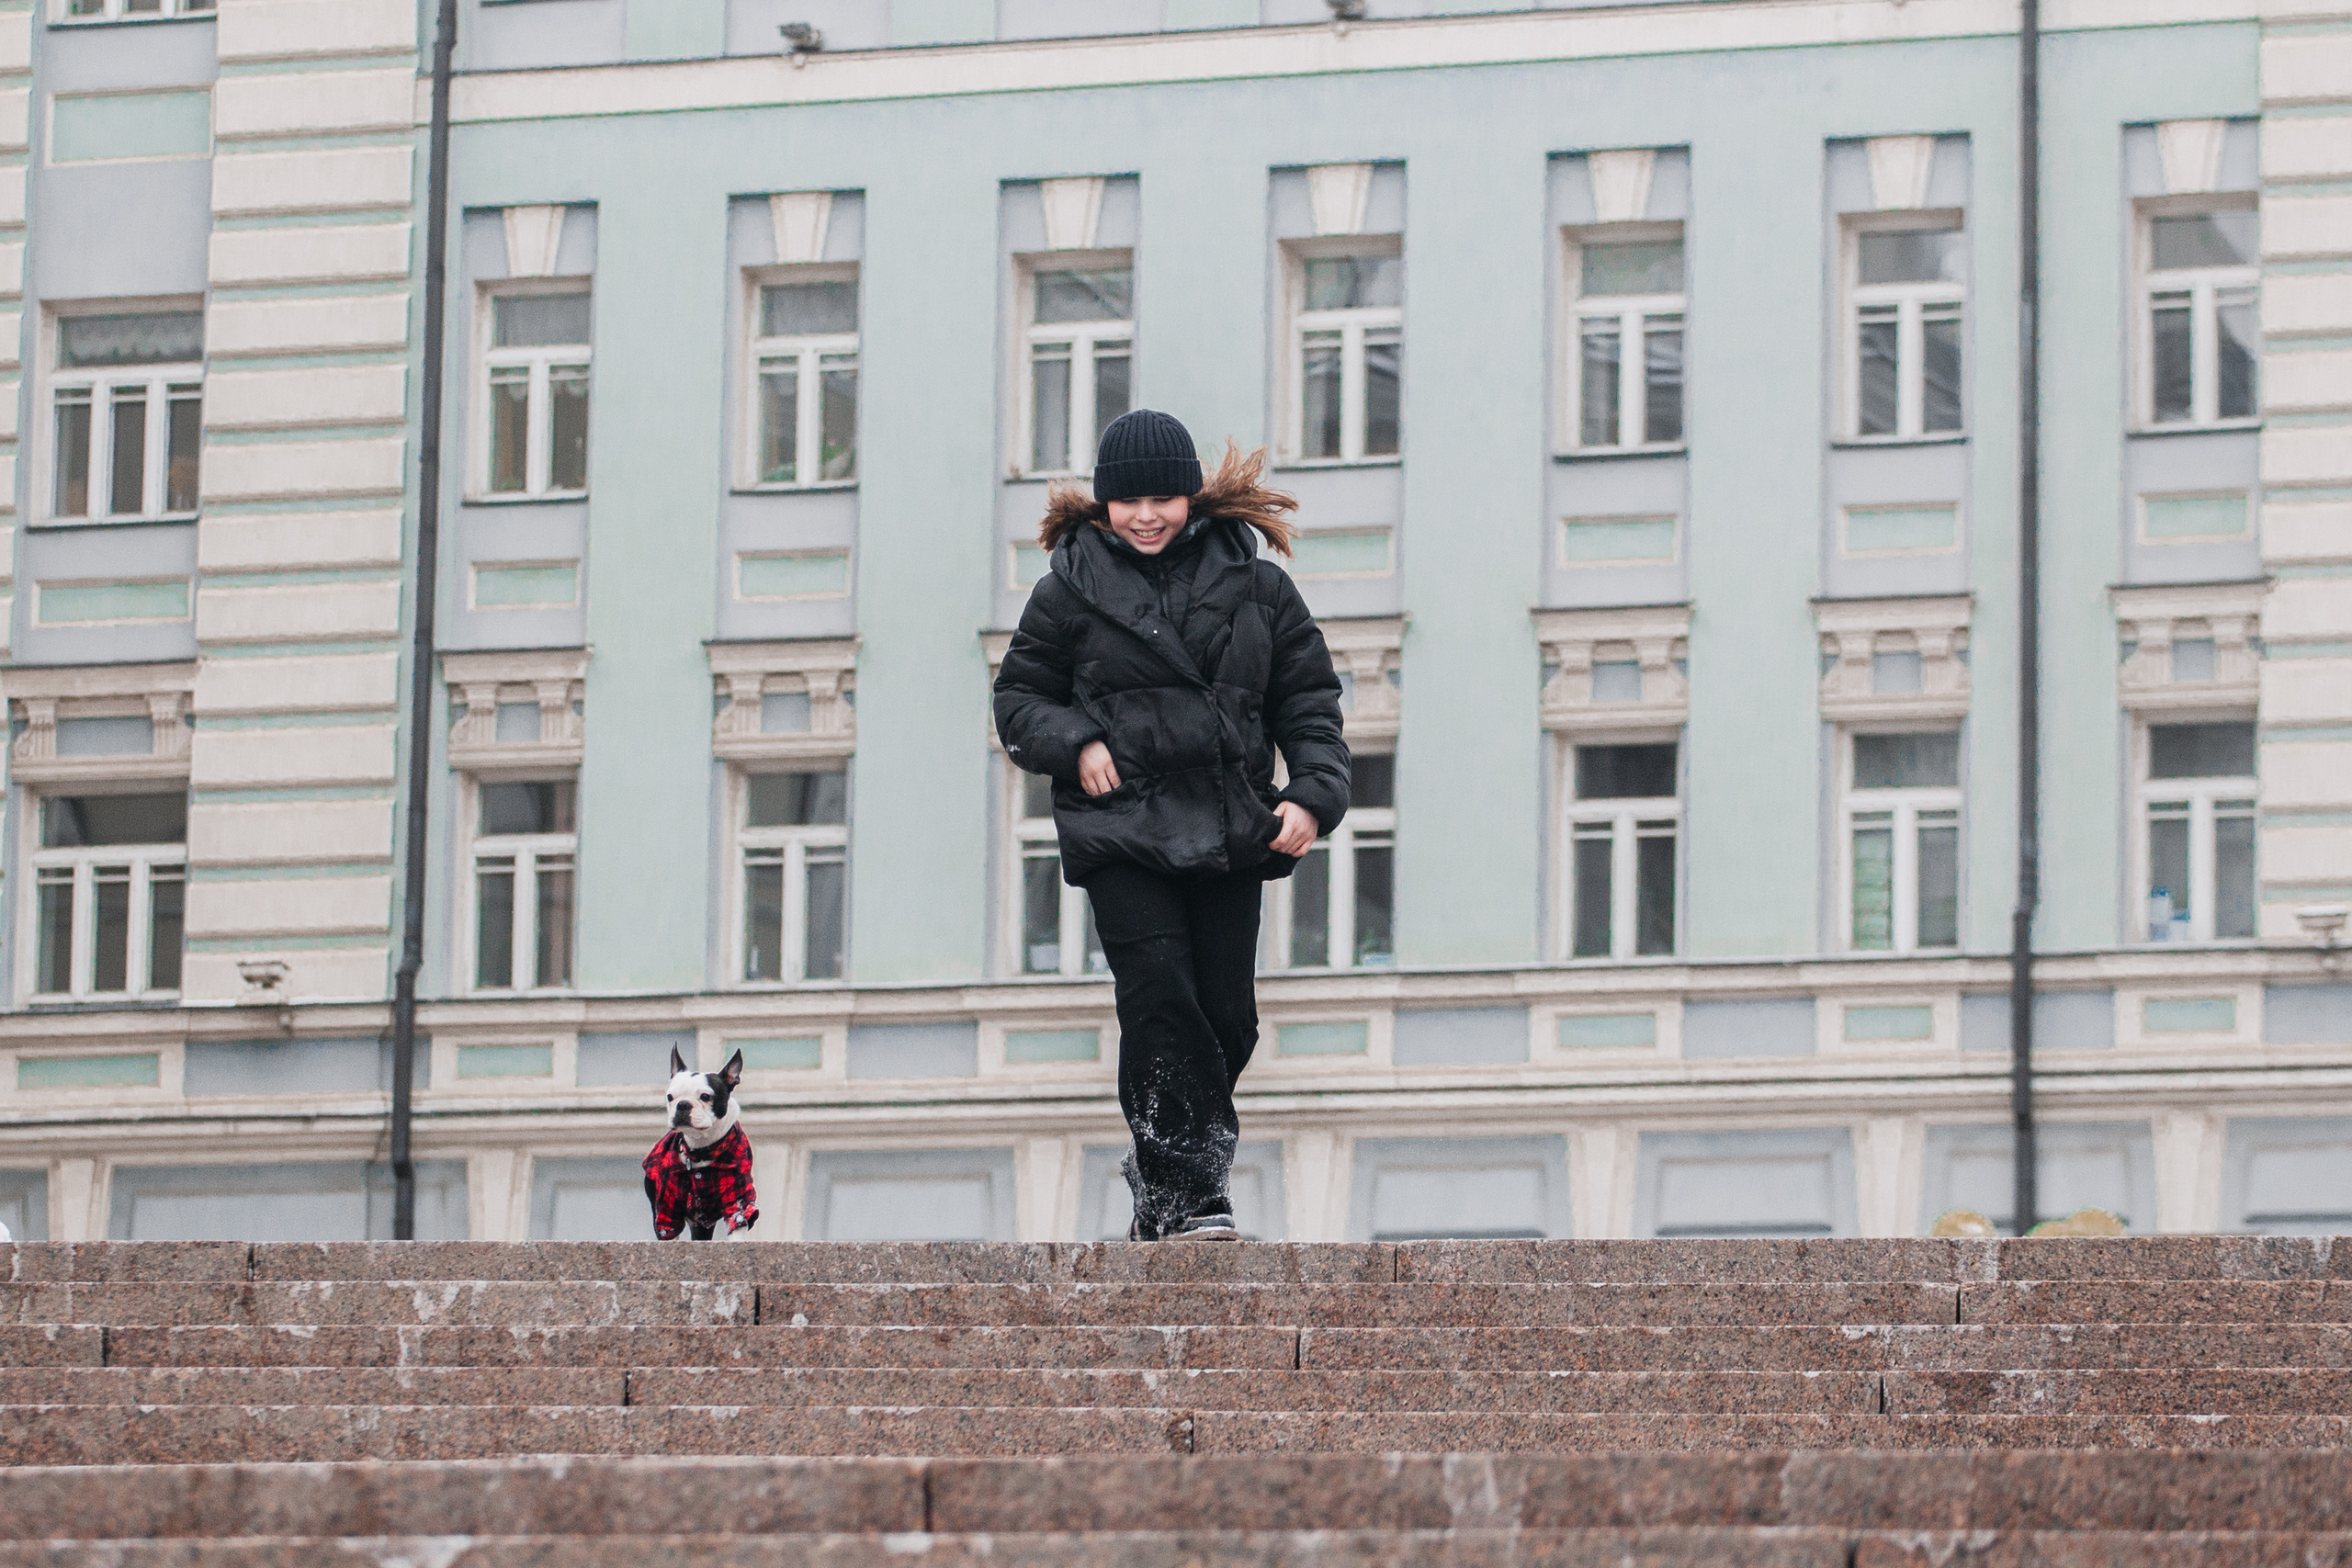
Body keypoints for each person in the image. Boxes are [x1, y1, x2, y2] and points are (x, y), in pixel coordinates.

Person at [994, 409, 1351, 1241]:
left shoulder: (1259, 586)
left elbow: (1309, 701)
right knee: (1161, 1003)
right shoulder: (1068, 589)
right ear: (1101, 504)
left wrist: (1311, 795)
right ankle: (1191, 1195)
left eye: (1163, 496)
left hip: (1228, 830)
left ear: (1192, 496)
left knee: (1227, 1016)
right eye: (1128, 500)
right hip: (1122, 830)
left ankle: (1159, 1183)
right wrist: (1075, 740)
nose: (1146, 515)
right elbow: (1018, 700)